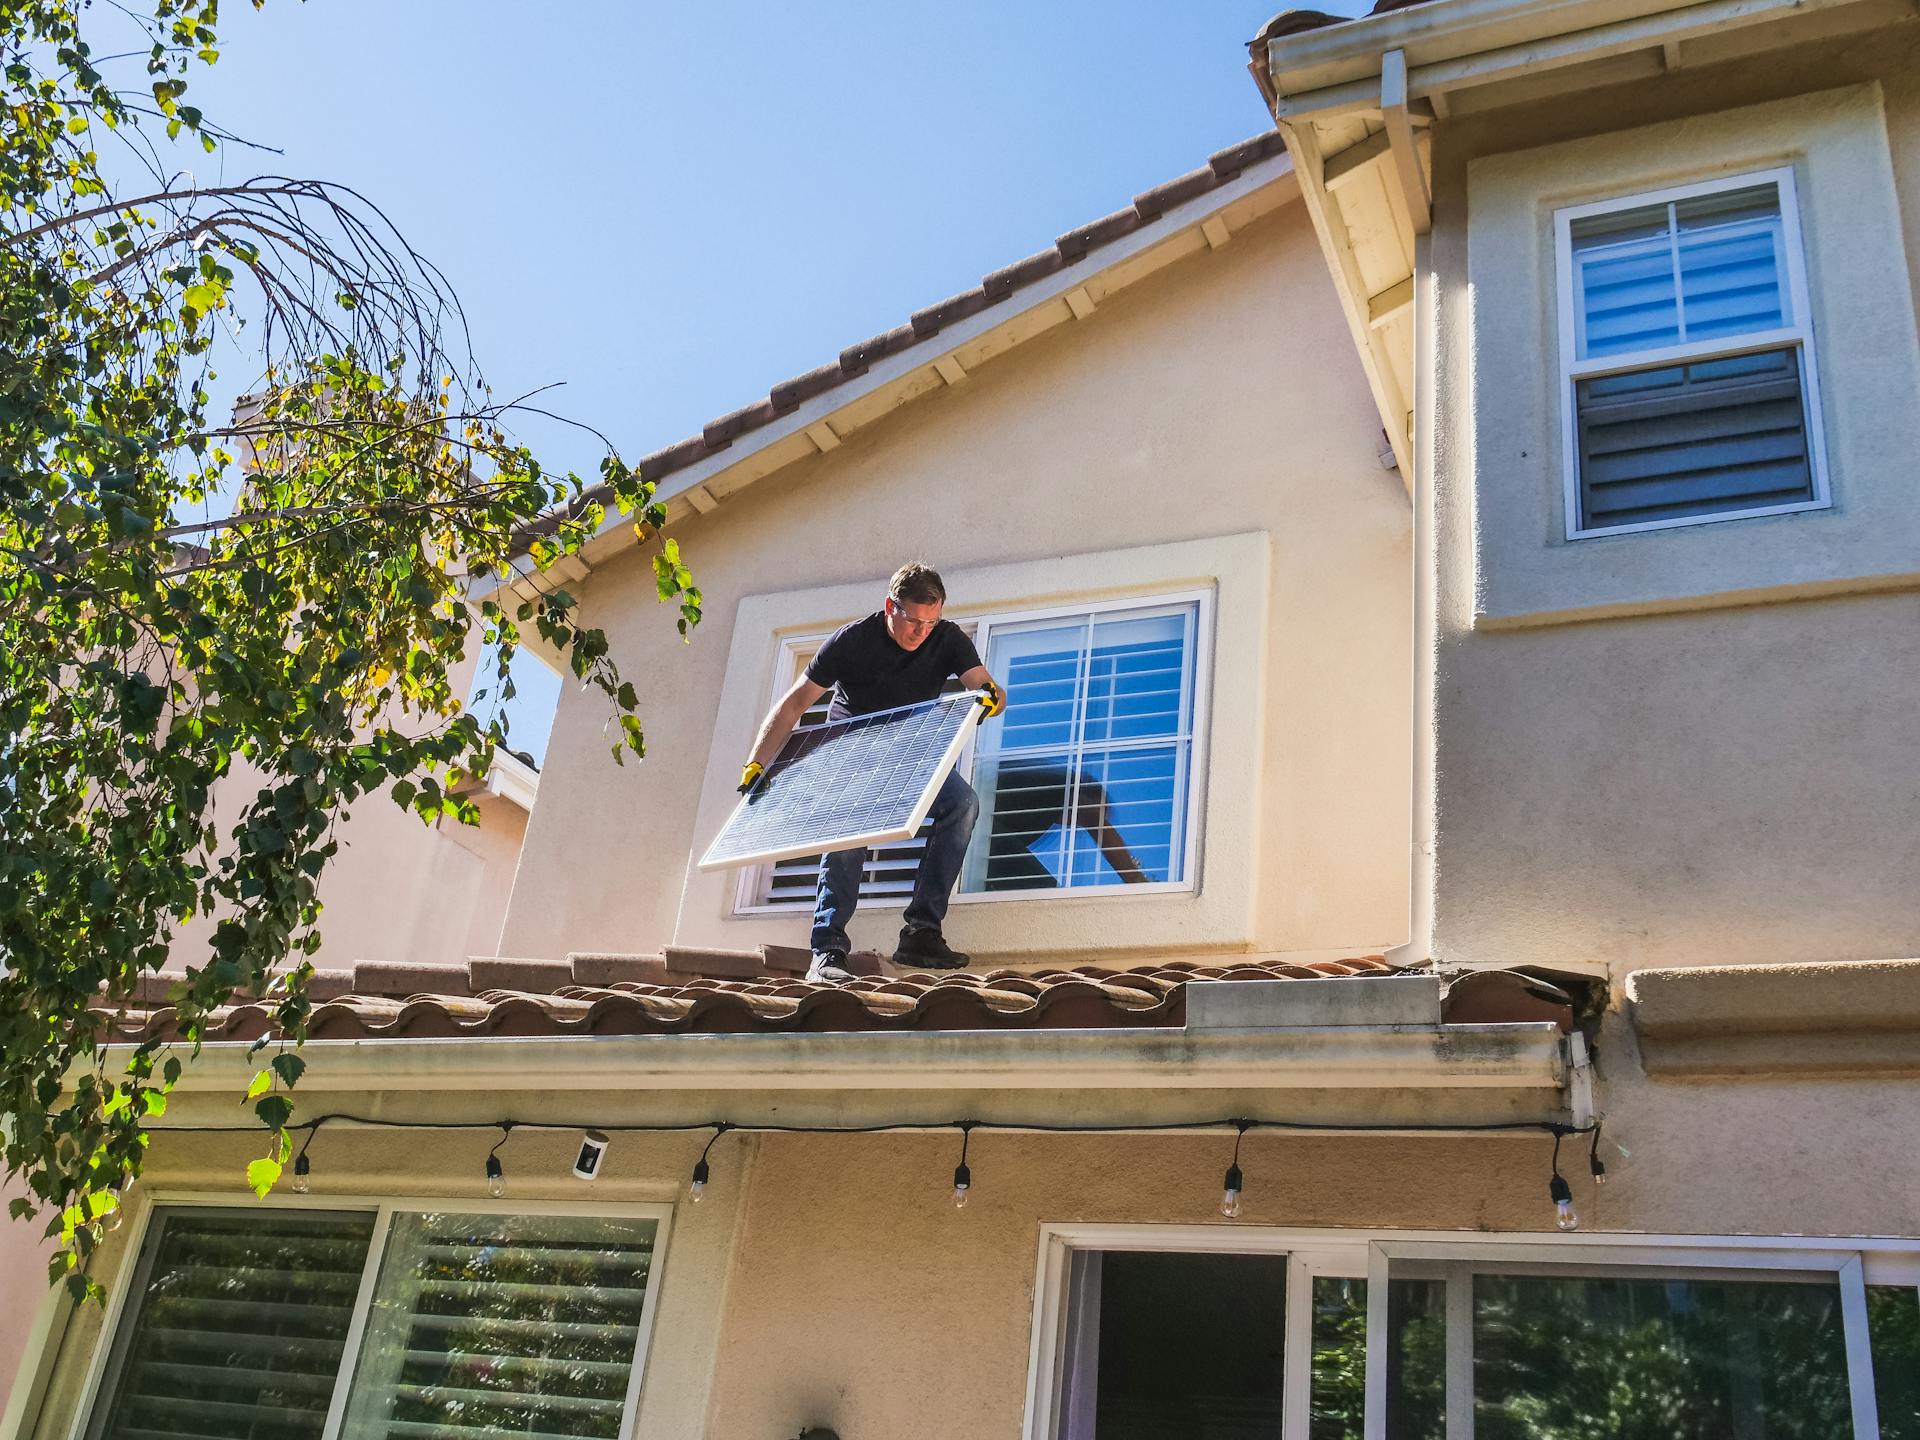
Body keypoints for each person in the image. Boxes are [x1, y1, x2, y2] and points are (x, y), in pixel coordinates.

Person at [738, 563, 1004, 982]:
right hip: (854, 754)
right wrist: (758, 762)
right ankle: (827, 951)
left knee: (963, 803)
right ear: (890, 608)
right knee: (849, 831)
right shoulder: (852, 641)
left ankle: (921, 932)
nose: (921, 632)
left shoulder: (947, 638)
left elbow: (984, 685)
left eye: (930, 622)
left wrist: (990, 698)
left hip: (912, 752)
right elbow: (793, 705)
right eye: (913, 621)